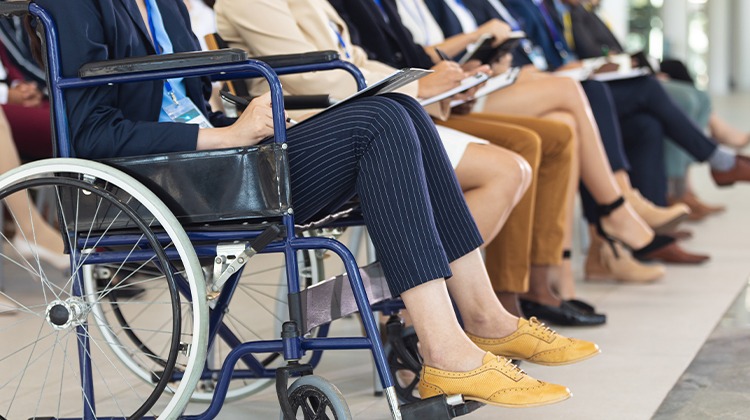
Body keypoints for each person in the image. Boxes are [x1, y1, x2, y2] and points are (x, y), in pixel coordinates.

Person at [36, 0, 601, 407]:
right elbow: (89, 134)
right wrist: (226, 137)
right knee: (384, 117)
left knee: (401, 111)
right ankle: (446, 350)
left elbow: (192, 92)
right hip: (164, 177)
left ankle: (481, 320)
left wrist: (235, 123)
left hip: (216, 155)